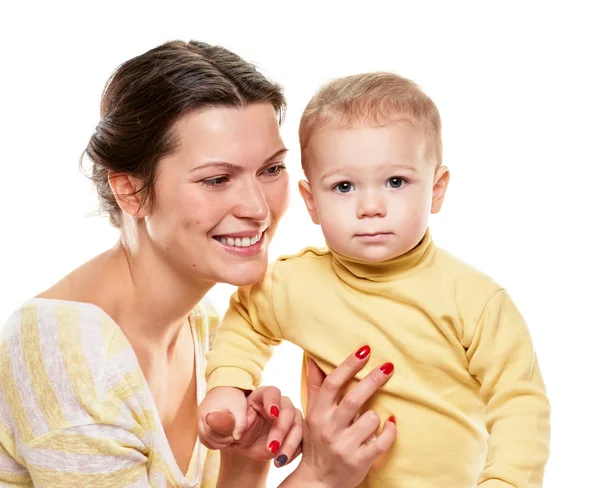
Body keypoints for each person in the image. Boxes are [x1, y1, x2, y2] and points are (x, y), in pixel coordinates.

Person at [0, 41, 397, 488]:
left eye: (270, 170)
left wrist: (247, 461)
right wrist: (321, 476)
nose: (258, 209)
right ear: (130, 191)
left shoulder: (205, 329)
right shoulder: (65, 350)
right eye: (217, 179)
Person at [200, 72, 551, 487]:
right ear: (312, 202)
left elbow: (520, 404)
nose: (370, 206)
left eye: (396, 182)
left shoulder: (475, 300)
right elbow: (248, 320)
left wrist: (505, 482)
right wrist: (229, 384)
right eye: (344, 186)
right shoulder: (294, 283)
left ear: (437, 190)